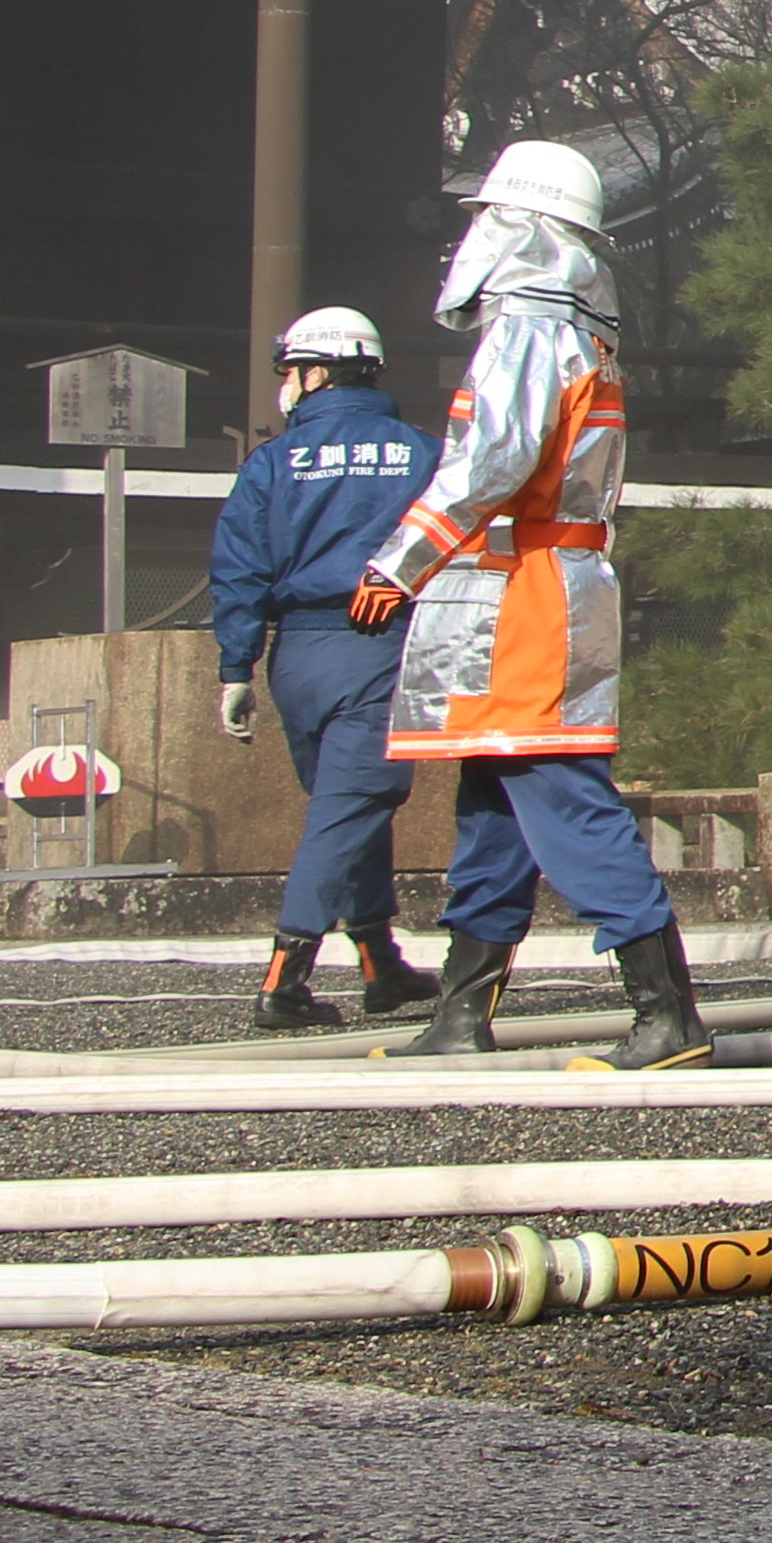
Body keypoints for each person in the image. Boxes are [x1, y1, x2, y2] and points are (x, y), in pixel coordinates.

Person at [366, 142, 707, 1070]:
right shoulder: (579, 335)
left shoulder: (529, 331)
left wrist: (399, 562)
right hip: (537, 586)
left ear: (521, 229)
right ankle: (460, 1012)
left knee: (559, 798)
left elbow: (493, 463)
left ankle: (665, 1012)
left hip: (526, 596)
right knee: (496, 807)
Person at [206, 304, 437, 1033]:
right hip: (380, 642)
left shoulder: (270, 462)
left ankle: (378, 960)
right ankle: (285, 980)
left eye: (290, 372)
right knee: (349, 810)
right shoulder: (422, 452)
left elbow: (239, 566)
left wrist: (235, 666)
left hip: (295, 656)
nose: (286, 388)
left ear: (316, 373)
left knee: (346, 806)